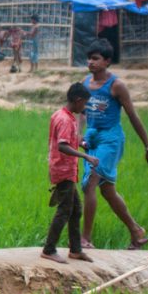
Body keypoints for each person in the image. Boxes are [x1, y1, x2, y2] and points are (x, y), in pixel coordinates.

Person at [80, 39, 148, 250]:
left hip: (111, 140)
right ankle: (136, 231)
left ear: (107, 61)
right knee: (107, 191)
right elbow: (81, 112)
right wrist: (79, 135)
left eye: (96, 59)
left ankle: (85, 238)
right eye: (89, 58)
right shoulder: (85, 83)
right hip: (92, 139)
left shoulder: (116, 86)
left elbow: (132, 115)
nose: (91, 62)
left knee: (90, 183)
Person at [42, 83, 99, 264]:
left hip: (63, 168)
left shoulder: (61, 115)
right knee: (65, 210)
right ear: (78, 100)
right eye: (85, 104)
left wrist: (80, 143)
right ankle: (49, 249)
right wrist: (85, 156)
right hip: (63, 169)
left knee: (76, 209)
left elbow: (65, 140)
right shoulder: (66, 119)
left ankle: (75, 250)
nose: (85, 108)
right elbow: (62, 145)